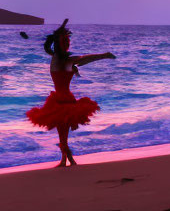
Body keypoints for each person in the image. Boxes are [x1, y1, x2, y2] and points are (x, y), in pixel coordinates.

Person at [26, 19, 115, 167]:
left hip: (62, 100)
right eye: (66, 41)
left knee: (63, 131)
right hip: (64, 99)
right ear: (63, 44)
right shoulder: (65, 60)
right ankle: (68, 159)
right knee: (62, 131)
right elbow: (83, 58)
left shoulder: (59, 60)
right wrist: (104, 55)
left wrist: (59, 32)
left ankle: (66, 160)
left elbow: (80, 58)